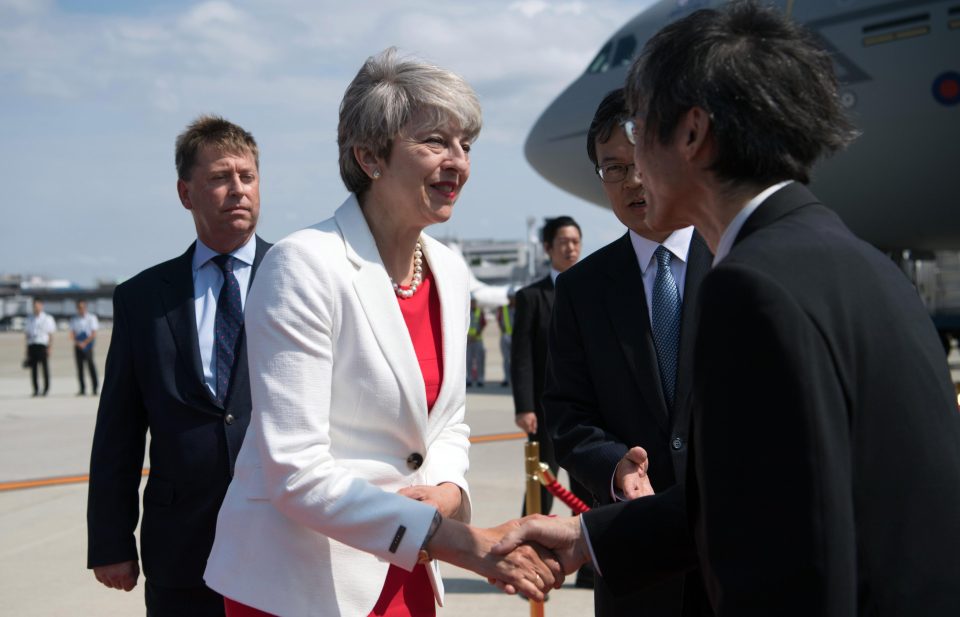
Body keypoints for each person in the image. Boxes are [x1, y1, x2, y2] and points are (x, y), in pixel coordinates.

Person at [494, 2, 960, 615]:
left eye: (643, 129)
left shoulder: (755, 286)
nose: (635, 173)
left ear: (690, 133)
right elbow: (769, 495)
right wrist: (591, 538)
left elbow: (794, 560)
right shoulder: (859, 263)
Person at [203, 49, 560, 617]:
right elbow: (294, 471)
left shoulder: (448, 270)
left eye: (465, 144)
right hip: (302, 582)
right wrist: (464, 542)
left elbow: (446, 426)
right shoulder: (304, 263)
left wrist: (449, 493)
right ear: (369, 156)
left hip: (409, 564)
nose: (458, 162)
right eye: (436, 142)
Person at [86, 115, 271, 617]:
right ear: (185, 193)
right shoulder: (143, 299)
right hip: (182, 547)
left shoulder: (302, 277)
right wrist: (111, 540)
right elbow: (118, 430)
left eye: (247, 177)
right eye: (219, 178)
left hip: (286, 539)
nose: (237, 190)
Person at [543, 88, 712, 617]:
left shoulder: (739, 261)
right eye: (612, 168)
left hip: (738, 558)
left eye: (640, 162)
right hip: (637, 568)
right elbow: (567, 415)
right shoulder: (581, 288)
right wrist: (615, 465)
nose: (632, 181)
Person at [510, 215, 594, 587]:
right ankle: (527, 560)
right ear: (547, 247)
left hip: (588, 412)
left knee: (587, 489)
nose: (571, 247)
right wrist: (523, 406)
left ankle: (593, 568)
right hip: (543, 413)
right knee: (540, 489)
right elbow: (522, 356)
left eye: (575, 241)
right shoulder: (532, 297)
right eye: (562, 241)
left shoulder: (594, 288)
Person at [24, 298, 55, 397]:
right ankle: (36, 389)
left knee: (44, 368)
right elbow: (27, 334)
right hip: (32, 344)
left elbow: (50, 334)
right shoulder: (30, 319)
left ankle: (46, 389)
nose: (36, 307)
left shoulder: (47, 318)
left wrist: (49, 347)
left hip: (42, 345)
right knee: (34, 369)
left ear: (42, 306)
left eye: (38, 305)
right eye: (34, 306)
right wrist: (27, 348)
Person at [70, 299, 99, 396]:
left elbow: (94, 333)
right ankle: (82, 389)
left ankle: (95, 388)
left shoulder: (91, 318)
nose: (80, 309)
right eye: (79, 308)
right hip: (78, 346)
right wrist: (78, 343)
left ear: (85, 307)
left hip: (88, 346)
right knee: (80, 368)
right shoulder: (74, 319)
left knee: (91, 366)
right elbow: (72, 334)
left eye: (82, 307)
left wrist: (85, 343)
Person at [496, 290, 515, 387]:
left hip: (516, 337)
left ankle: (514, 378)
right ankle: (507, 378)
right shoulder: (503, 309)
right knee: (506, 359)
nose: (512, 299)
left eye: (513, 297)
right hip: (505, 336)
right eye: (510, 297)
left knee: (515, 359)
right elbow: (499, 320)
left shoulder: (521, 308)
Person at [466, 295, 486, 387]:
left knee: (479, 360)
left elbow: (483, 324)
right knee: (468, 360)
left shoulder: (479, 312)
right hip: (468, 340)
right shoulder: (465, 312)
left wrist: (476, 335)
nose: (473, 303)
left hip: (477, 339)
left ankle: (480, 378)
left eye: (474, 301)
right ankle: (469, 378)